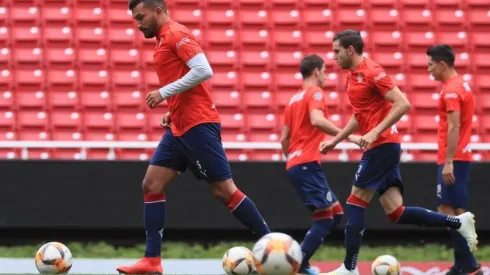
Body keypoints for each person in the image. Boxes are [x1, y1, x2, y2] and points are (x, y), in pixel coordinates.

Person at [117, 0, 271, 273]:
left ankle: (274, 250)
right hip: (178, 126)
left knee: (224, 191)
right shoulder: (162, 39)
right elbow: (184, 78)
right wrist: (172, 108)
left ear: (159, 11)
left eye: (141, 17)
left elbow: (203, 70)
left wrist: (164, 93)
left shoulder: (176, 33)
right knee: (151, 184)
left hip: (198, 125)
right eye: (135, 19)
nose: (138, 23)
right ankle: (152, 261)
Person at [318, 30, 478, 275]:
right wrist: (336, 140)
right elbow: (359, 115)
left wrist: (374, 133)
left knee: (355, 201)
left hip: (383, 146)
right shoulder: (352, 77)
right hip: (381, 146)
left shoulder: (373, 72)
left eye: (337, 51)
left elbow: (403, 103)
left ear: (350, 50)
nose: (333, 57)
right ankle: (458, 222)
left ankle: (349, 268)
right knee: (396, 212)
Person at [280, 54, 361, 275]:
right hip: (306, 162)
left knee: (335, 214)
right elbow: (317, 120)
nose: (326, 76)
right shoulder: (314, 92)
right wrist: (347, 136)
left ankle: (301, 261)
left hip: (296, 163)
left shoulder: (293, 100)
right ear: (316, 71)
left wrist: (293, 158)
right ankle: (298, 264)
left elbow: (283, 138)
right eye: (324, 71)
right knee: (326, 218)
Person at [427, 44, 482, 275]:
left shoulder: (451, 90)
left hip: (454, 157)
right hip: (459, 155)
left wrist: (448, 161)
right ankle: (463, 265)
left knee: (447, 208)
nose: (429, 70)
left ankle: (469, 266)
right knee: (454, 208)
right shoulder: (461, 85)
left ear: (442, 64)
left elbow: (454, 125)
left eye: (431, 65)